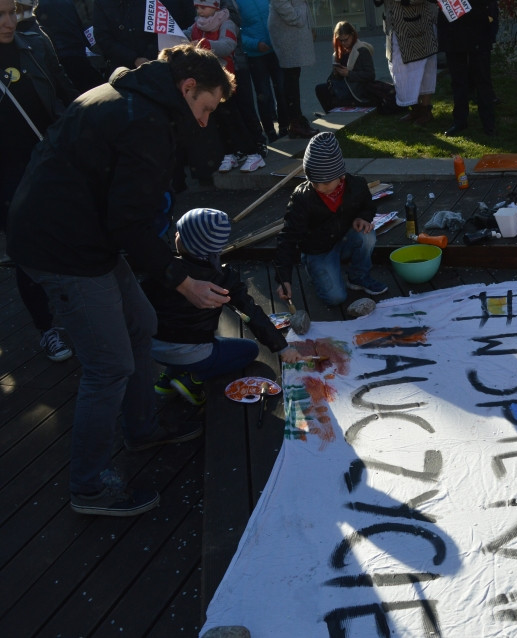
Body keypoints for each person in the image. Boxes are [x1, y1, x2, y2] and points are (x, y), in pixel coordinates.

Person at [6, 43, 236, 517]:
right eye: (206, 108)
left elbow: (126, 209)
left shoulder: (133, 96)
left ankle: (141, 427)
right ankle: (89, 487)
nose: (204, 121)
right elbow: (129, 222)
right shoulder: (144, 120)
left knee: (140, 322)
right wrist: (181, 280)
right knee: (108, 366)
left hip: (86, 234)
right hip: (62, 249)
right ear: (187, 87)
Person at [143, 208, 298, 406]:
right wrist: (282, 347)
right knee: (249, 350)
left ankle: (166, 380)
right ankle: (192, 380)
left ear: (189, 244)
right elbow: (251, 313)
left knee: (183, 343)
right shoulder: (224, 278)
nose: (175, 234)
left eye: (180, 233)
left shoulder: (163, 269)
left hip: (154, 348)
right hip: (193, 351)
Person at [1, 0, 77, 362]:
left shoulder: (35, 43)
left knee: (69, 237)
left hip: (48, 162)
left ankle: (81, 315)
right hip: (7, 177)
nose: (9, 22)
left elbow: (64, 94)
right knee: (26, 253)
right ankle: (47, 327)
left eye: (11, 12)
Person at [275, 132, 388, 308]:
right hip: (318, 250)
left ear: (340, 175)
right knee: (336, 298)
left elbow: (368, 205)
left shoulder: (356, 185)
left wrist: (363, 217)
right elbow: (287, 238)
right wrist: (283, 278)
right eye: (314, 182)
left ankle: (359, 277)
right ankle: (313, 269)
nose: (320, 187)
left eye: (326, 182)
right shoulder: (301, 197)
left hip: (344, 239)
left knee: (367, 234)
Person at [188, 0, 264, 173]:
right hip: (209, 82)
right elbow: (183, 35)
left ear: (215, 7)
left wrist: (203, 44)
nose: (199, 10)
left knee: (237, 118)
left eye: (203, 7)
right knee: (221, 120)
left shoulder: (227, 22)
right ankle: (231, 153)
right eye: (197, 7)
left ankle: (253, 153)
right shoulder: (196, 25)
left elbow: (228, 45)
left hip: (227, 79)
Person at [437, 0, 496, 136]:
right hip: (452, 28)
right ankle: (459, 121)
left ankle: (489, 123)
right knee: (458, 79)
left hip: (478, 25)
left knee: (482, 78)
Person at [235, 0, 287, 140]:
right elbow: (236, 32)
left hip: (275, 50)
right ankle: (269, 130)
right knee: (263, 94)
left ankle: (284, 126)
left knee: (282, 89)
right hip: (255, 55)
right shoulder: (236, 3)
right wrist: (255, 44)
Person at [380, 0, 438, 125]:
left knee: (425, 71)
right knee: (400, 70)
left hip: (417, 26)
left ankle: (426, 110)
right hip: (394, 27)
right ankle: (415, 109)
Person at [268, 0, 316, 138]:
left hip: (291, 31)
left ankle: (296, 120)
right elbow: (281, 3)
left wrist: (308, 24)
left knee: (293, 77)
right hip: (287, 31)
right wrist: (298, 19)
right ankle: (295, 123)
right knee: (290, 80)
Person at [34, 0, 104, 92]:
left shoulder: (39, 5)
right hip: (78, 52)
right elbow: (80, 25)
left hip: (60, 56)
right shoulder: (67, 2)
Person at [315, 21, 376, 113]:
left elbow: (370, 75)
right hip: (344, 84)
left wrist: (348, 73)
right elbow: (335, 78)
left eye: (346, 39)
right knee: (321, 89)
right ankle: (332, 114)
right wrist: (336, 73)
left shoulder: (362, 50)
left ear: (352, 35)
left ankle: (335, 112)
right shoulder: (339, 52)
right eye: (340, 40)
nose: (343, 43)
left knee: (329, 92)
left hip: (356, 88)